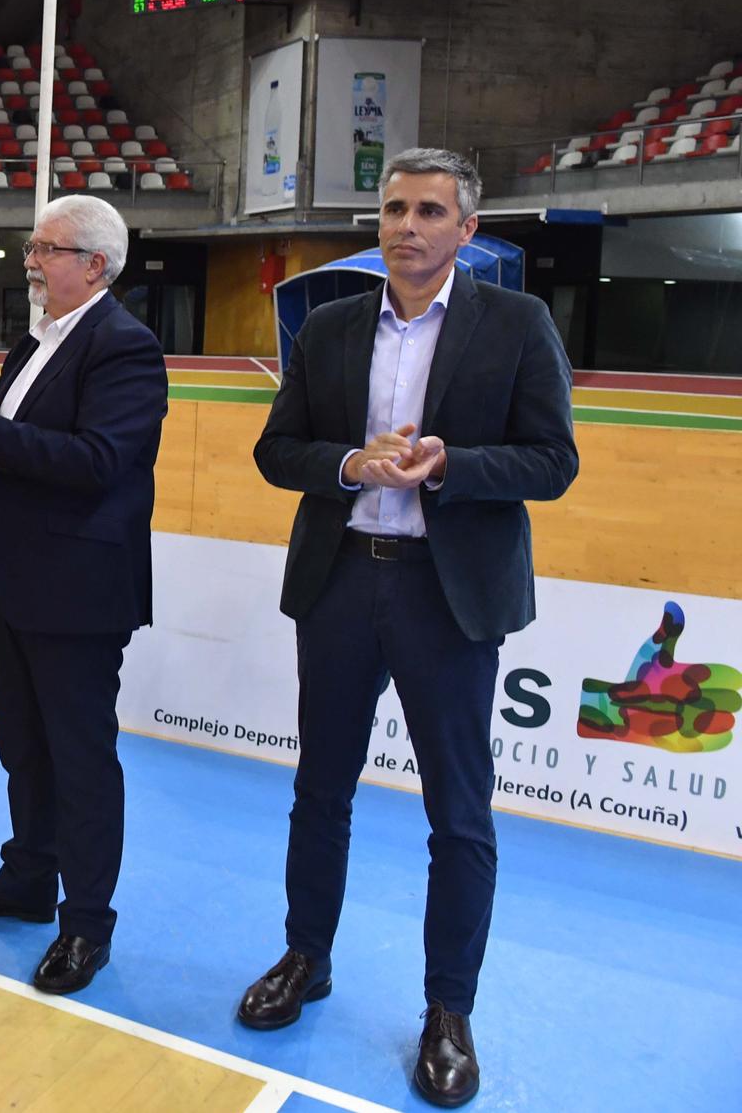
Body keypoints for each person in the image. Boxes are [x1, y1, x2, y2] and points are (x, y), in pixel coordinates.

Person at [245, 148, 578, 1109]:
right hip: (344, 580)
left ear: (466, 231)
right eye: (394, 207)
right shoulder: (334, 326)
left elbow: (553, 461)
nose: (408, 224)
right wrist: (351, 463)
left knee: (459, 814)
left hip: (449, 592)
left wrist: (447, 466)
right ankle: (307, 956)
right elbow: (278, 450)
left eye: (431, 210)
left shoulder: (518, 323)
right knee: (321, 790)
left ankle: (448, 1010)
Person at [0, 195, 169, 995]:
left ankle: (87, 922)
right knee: (23, 746)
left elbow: (98, 459)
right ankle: (30, 877)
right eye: (32, 246)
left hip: (80, 590)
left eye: (46, 248)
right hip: (19, 576)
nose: (31, 259)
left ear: (95, 264)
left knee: (81, 761)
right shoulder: (38, 340)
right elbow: (13, 448)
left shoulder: (126, 347)